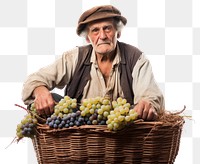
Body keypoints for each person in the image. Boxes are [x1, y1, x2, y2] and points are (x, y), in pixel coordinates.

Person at [22, 5, 164, 121]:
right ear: (88, 38)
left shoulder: (136, 58)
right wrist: (40, 90)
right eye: (95, 30)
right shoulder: (75, 57)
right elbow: (33, 80)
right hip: (80, 131)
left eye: (107, 28)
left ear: (118, 33)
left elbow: (151, 95)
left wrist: (146, 104)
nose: (102, 36)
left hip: (123, 132)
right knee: (50, 99)